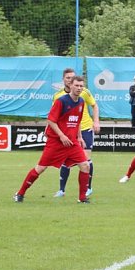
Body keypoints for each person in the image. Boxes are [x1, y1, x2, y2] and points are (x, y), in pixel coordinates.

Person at [14, 76, 92, 203]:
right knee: (41, 168)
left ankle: (82, 198)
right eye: (76, 85)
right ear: (70, 85)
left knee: (85, 165)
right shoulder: (61, 101)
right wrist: (61, 135)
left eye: (81, 86)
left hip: (72, 142)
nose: (79, 88)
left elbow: (77, 121)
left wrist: (80, 137)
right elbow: (51, 120)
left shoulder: (81, 102)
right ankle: (20, 193)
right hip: (56, 142)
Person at [53, 68, 99, 198]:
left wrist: (96, 122)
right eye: (68, 78)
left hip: (85, 128)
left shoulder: (84, 92)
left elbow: (94, 105)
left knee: (86, 158)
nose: (70, 80)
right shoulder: (58, 96)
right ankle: (62, 190)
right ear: (64, 79)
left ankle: (88, 188)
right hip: (68, 131)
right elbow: (54, 116)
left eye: (72, 78)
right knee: (65, 160)